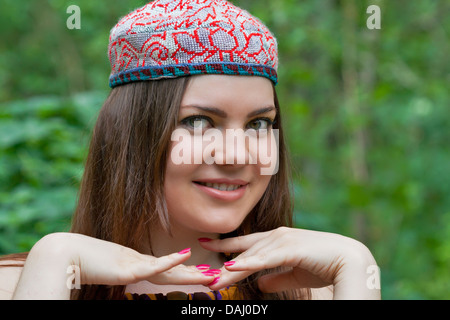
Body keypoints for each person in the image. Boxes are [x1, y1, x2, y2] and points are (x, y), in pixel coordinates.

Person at [0, 0, 380, 300]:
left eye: (258, 124)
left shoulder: (320, 291)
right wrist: (53, 261)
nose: (237, 155)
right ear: (130, 136)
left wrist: (358, 267)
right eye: (199, 122)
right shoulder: (27, 283)